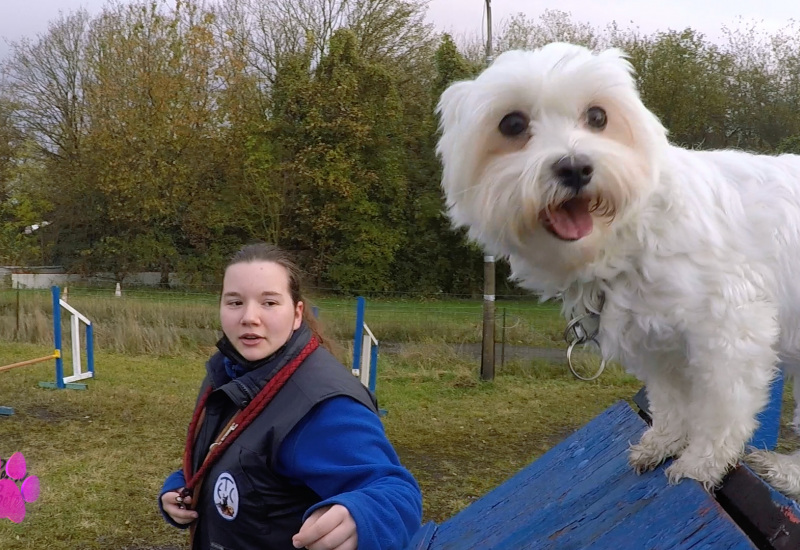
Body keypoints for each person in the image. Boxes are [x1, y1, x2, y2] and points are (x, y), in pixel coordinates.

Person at [159, 243, 422, 550]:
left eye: (269, 303)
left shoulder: (321, 403)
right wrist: (183, 484)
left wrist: (361, 516)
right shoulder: (229, 371)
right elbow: (234, 455)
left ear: (297, 314)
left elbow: (395, 492)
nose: (249, 317)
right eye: (234, 302)